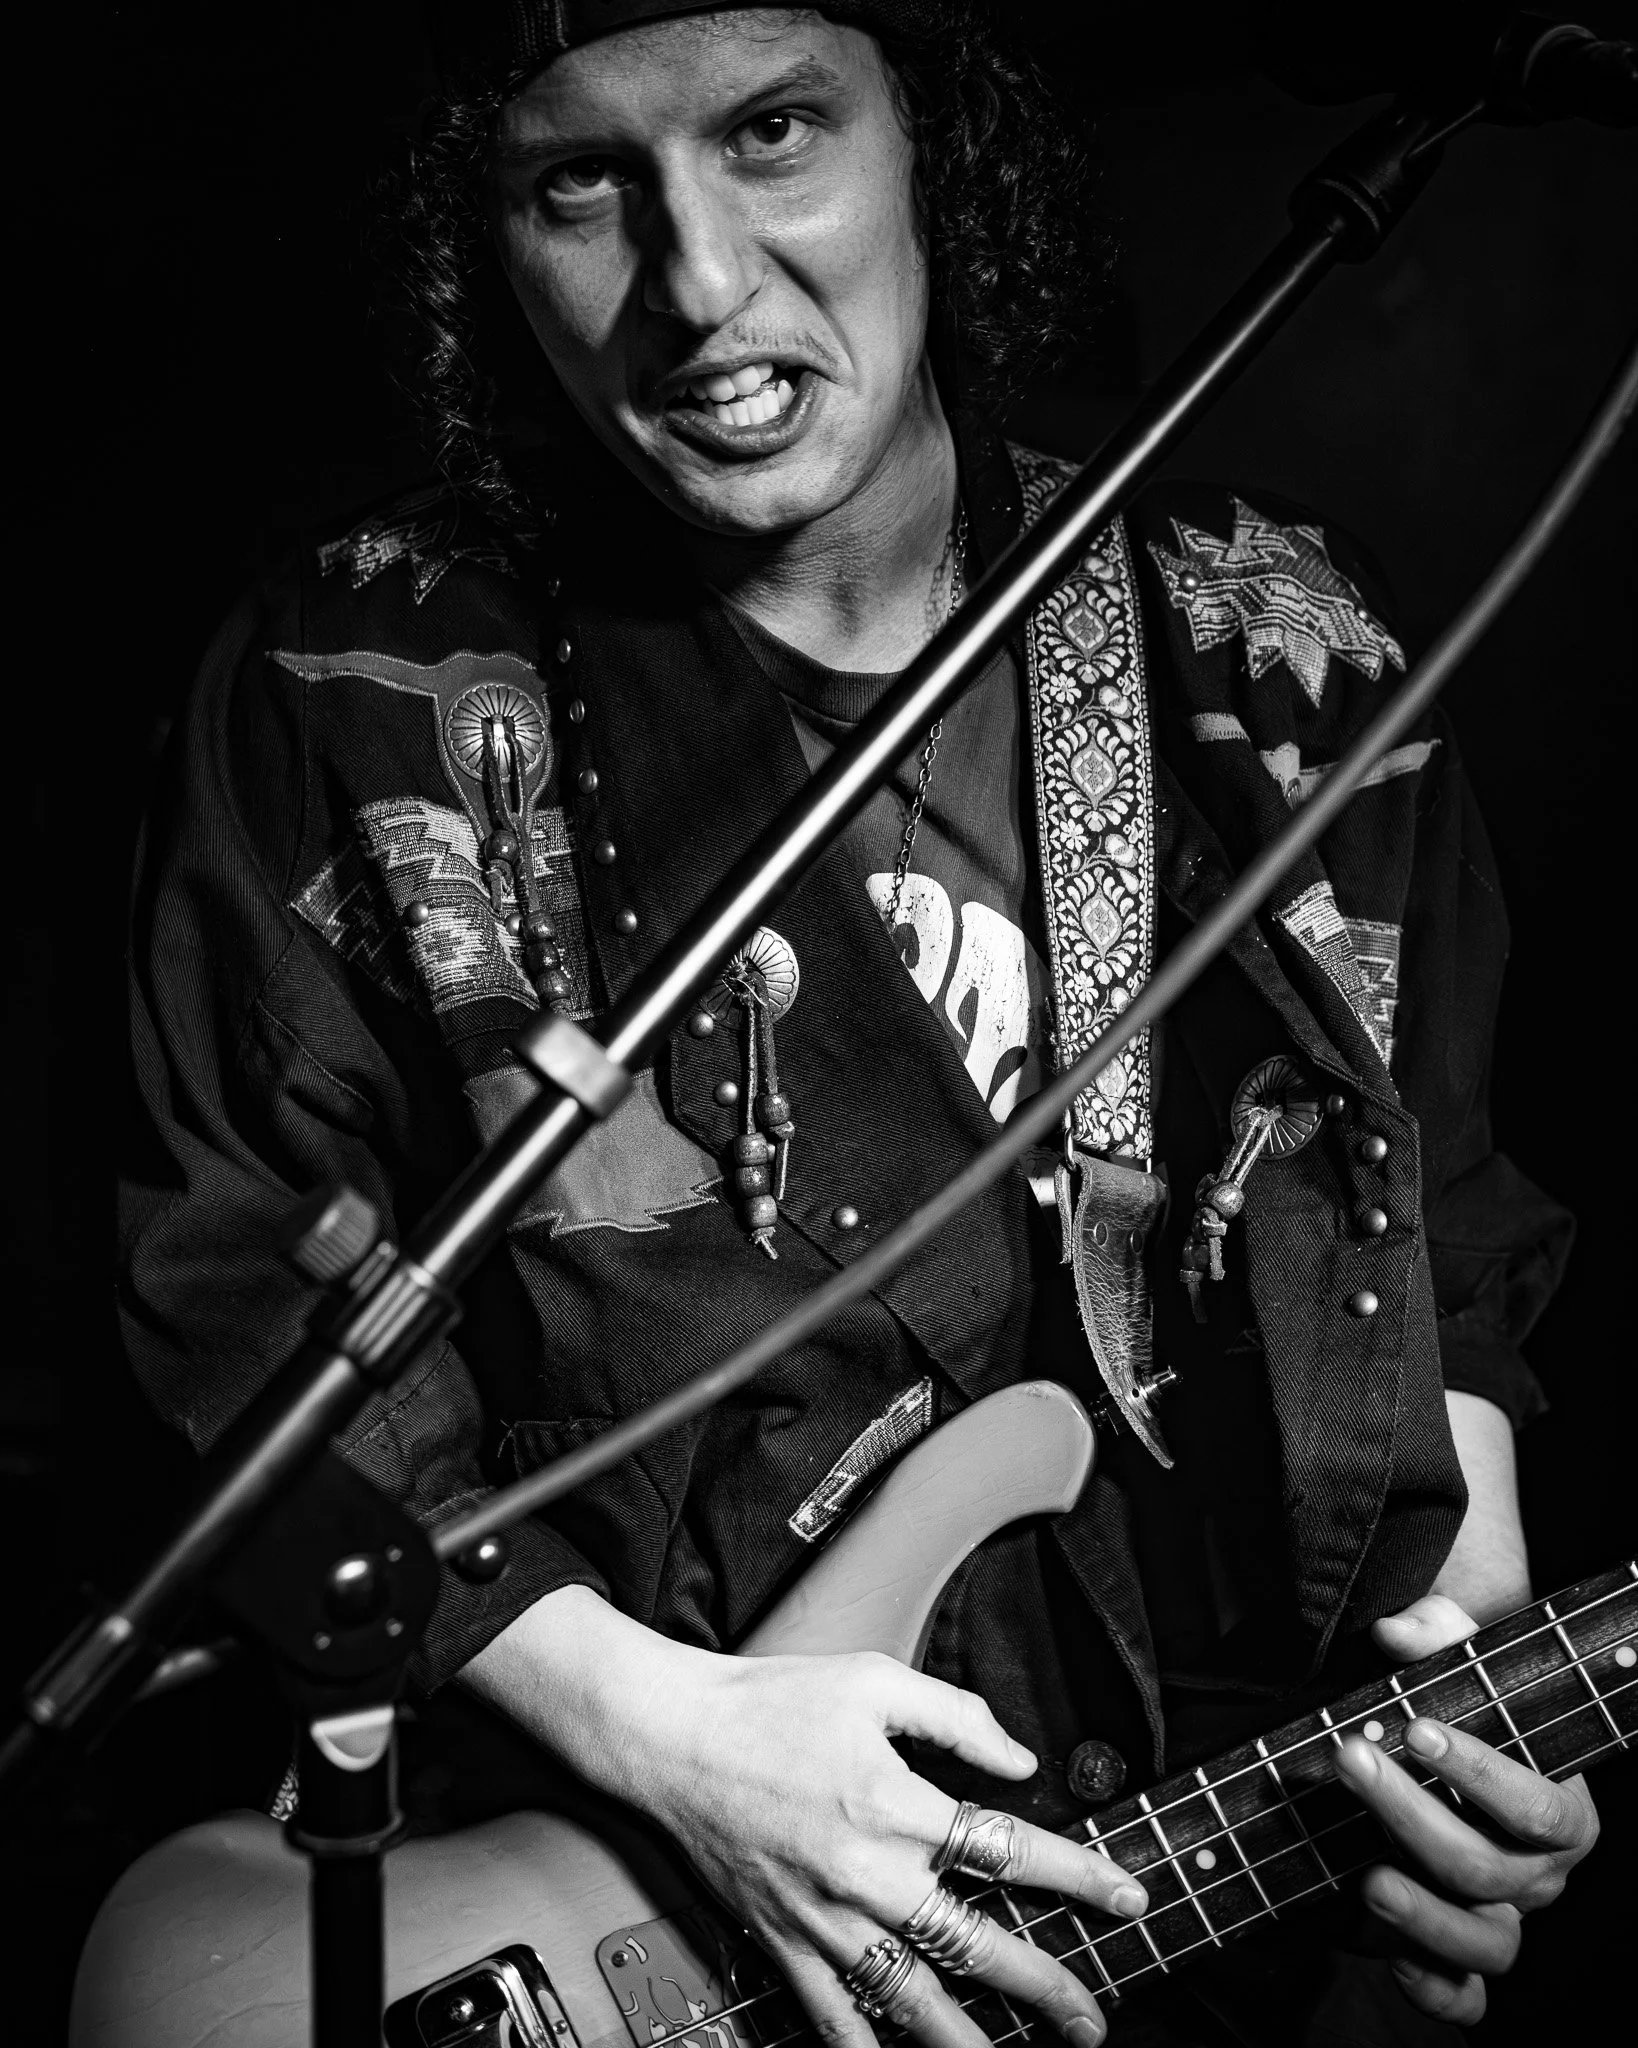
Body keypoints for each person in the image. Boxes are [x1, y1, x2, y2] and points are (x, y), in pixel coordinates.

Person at [118, 4, 1598, 2042]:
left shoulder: (1277, 640)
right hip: (639, 1949)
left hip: (1226, 1916)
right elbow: (223, 1343)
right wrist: (666, 1739)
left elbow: (1439, 1196)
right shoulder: (353, 688)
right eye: (582, 185)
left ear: (938, 148)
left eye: (776, 133)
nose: (700, 283)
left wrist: (1489, 1663)